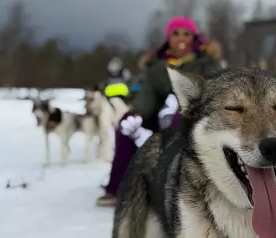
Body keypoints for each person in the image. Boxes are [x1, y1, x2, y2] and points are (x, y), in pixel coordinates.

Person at [95, 16, 222, 206]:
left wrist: (184, 108)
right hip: (160, 116)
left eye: (186, 34)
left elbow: (214, 92)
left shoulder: (206, 63)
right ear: (168, 38)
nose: (181, 38)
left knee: (180, 122)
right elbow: (148, 94)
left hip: (195, 117)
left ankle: (184, 188)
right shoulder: (157, 67)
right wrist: (137, 113)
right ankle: (119, 186)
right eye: (176, 33)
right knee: (125, 126)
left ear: (194, 38)